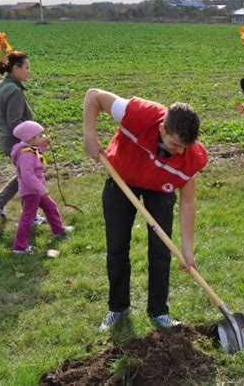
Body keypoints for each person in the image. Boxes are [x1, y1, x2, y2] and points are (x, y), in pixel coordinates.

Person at [82, 89, 208, 332]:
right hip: (122, 178)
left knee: (161, 251)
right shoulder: (140, 114)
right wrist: (89, 135)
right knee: (117, 247)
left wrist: (187, 248)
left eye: (184, 147)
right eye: (174, 144)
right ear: (162, 128)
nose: (179, 152)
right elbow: (93, 96)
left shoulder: (190, 155)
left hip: (160, 188)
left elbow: (188, 202)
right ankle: (118, 308)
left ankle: (159, 311)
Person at [0, 51, 36, 221]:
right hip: (18, 143)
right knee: (30, 175)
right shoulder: (14, 91)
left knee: (25, 175)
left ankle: (0, 203)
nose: (29, 71)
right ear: (16, 68)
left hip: (6, 140)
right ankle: (27, 213)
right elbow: (14, 123)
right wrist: (32, 140)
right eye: (27, 67)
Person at [11, 121, 73, 254]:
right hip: (31, 191)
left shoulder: (29, 149)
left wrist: (43, 146)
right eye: (40, 136)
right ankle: (20, 246)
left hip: (35, 190)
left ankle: (58, 229)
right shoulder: (25, 155)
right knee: (27, 218)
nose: (43, 137)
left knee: (50, 207)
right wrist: (41, 189)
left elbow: (36, 155)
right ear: (31, 138)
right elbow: (28, 176)